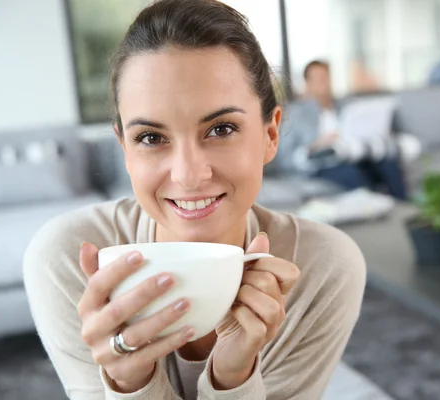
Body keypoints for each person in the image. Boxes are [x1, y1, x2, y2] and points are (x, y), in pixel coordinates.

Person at [23, 1, 366, 399]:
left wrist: (233, 377)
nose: (188, 174)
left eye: (221, 129)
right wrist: (128, 383)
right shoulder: (67, 260)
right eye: (151, 138)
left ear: (270, 134)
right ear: (124, 149)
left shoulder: (321, 268)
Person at [277, 60, 409, 200]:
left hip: (353, 155)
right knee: (353, 175)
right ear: (308, 83)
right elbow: (285, 158)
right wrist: (316, 146)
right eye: (318, 78)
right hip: (324, 163)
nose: (324, 82)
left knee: (388, 163)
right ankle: (371, 209)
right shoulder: (296, 114)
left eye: (326, 77)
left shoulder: (346, 106)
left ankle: (406, 209)